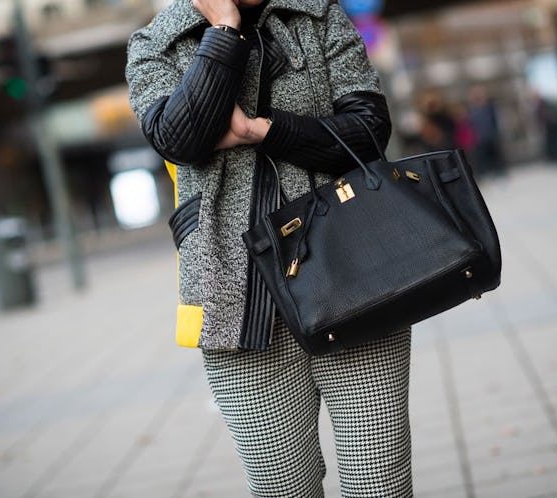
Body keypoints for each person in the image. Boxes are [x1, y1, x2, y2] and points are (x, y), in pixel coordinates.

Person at [126, 0, 413, 496]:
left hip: (354, 273)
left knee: (380, 482)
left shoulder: (319, 15)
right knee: (283, 488)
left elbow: (368, 130)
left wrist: (266, 131)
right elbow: (179, 137)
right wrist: (224, 31)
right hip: (238, 304)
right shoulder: (157, 43)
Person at [467, 85, 505, 177]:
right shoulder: (472, 109)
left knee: (495, 155)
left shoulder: (489, 107)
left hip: (491, 135)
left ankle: (499, 172)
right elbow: (471, 124)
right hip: (479, 137)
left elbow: (495, 120)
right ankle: (486, 173)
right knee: (483, 157)